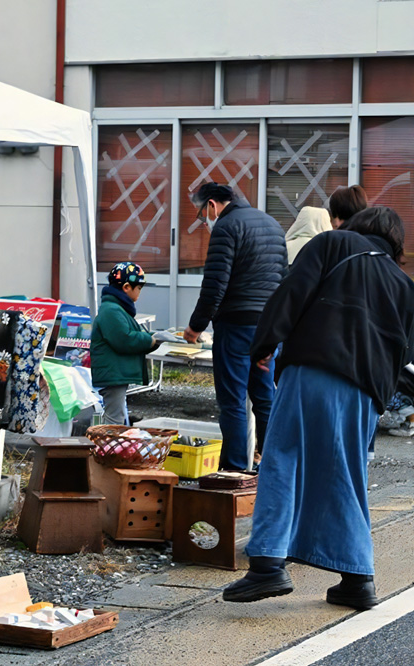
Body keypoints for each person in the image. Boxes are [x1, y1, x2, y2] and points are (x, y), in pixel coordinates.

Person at [223, 207, 414, 610]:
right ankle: (357, 578)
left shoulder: (333, 243)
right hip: (367, 394)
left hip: (315, 368)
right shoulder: (402, 283)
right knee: (346, 474)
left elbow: (293, 290)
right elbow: (404, 352)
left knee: (282, 457)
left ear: (357, 226)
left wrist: (264, 344)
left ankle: (267, 565)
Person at [183, 183, 287, 471]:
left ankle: (235, 468)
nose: (204, 219)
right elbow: (284, 281)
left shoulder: (226, 228)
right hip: (267, 327)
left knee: (232, 401)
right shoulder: (273, 225)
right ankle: (272, 464)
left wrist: (195, 326)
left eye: (202, 213)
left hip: (235, 325)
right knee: (266, 397)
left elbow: (215, 285)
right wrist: (278, 329)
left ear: (213, 205)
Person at [90, 262, 159, 425]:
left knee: (119, 415)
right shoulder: (112, 310)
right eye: (139, 288)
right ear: (127, 287)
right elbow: (125, 339)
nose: (140, 293)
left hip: (115, 372)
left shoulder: (115, 309)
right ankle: (108, 449)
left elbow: (130, 336)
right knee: (115, 419)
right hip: (113, 374)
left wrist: (155, 339)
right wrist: (150, 340)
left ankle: (111, 446)